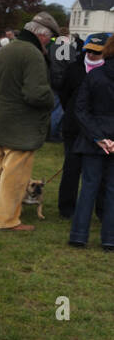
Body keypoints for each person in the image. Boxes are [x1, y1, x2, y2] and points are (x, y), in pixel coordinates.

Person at [0, 12, 59, 232]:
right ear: (41, 35)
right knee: (15, 175)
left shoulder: (6, 49)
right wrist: (52, 99)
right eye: (49, 39)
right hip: (22, 126)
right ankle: (8, 220)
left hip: (1, 119)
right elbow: (36, 94)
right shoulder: (33, 55)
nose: (49, 43)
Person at [67, 36, 114, 248]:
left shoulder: (94, 75)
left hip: (94, 137)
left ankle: (79, 235)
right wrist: (101, 137)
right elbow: (81, 109)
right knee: (107, 188)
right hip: (96, 137)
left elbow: (81, 109)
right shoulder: (95, 75)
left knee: (88, 186)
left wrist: (99, 137)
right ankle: (108, 239)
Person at [58, 33, 109, 217]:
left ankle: (102, 209)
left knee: (102, 172)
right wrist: (73, 114)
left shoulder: (108, 70)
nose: (92, 55)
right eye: (89, 51)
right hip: (74, 126)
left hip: (100, 127)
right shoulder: (74, 69)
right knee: (72, 168)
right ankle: (67, 208)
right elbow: (64, 95)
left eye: (97, 52)